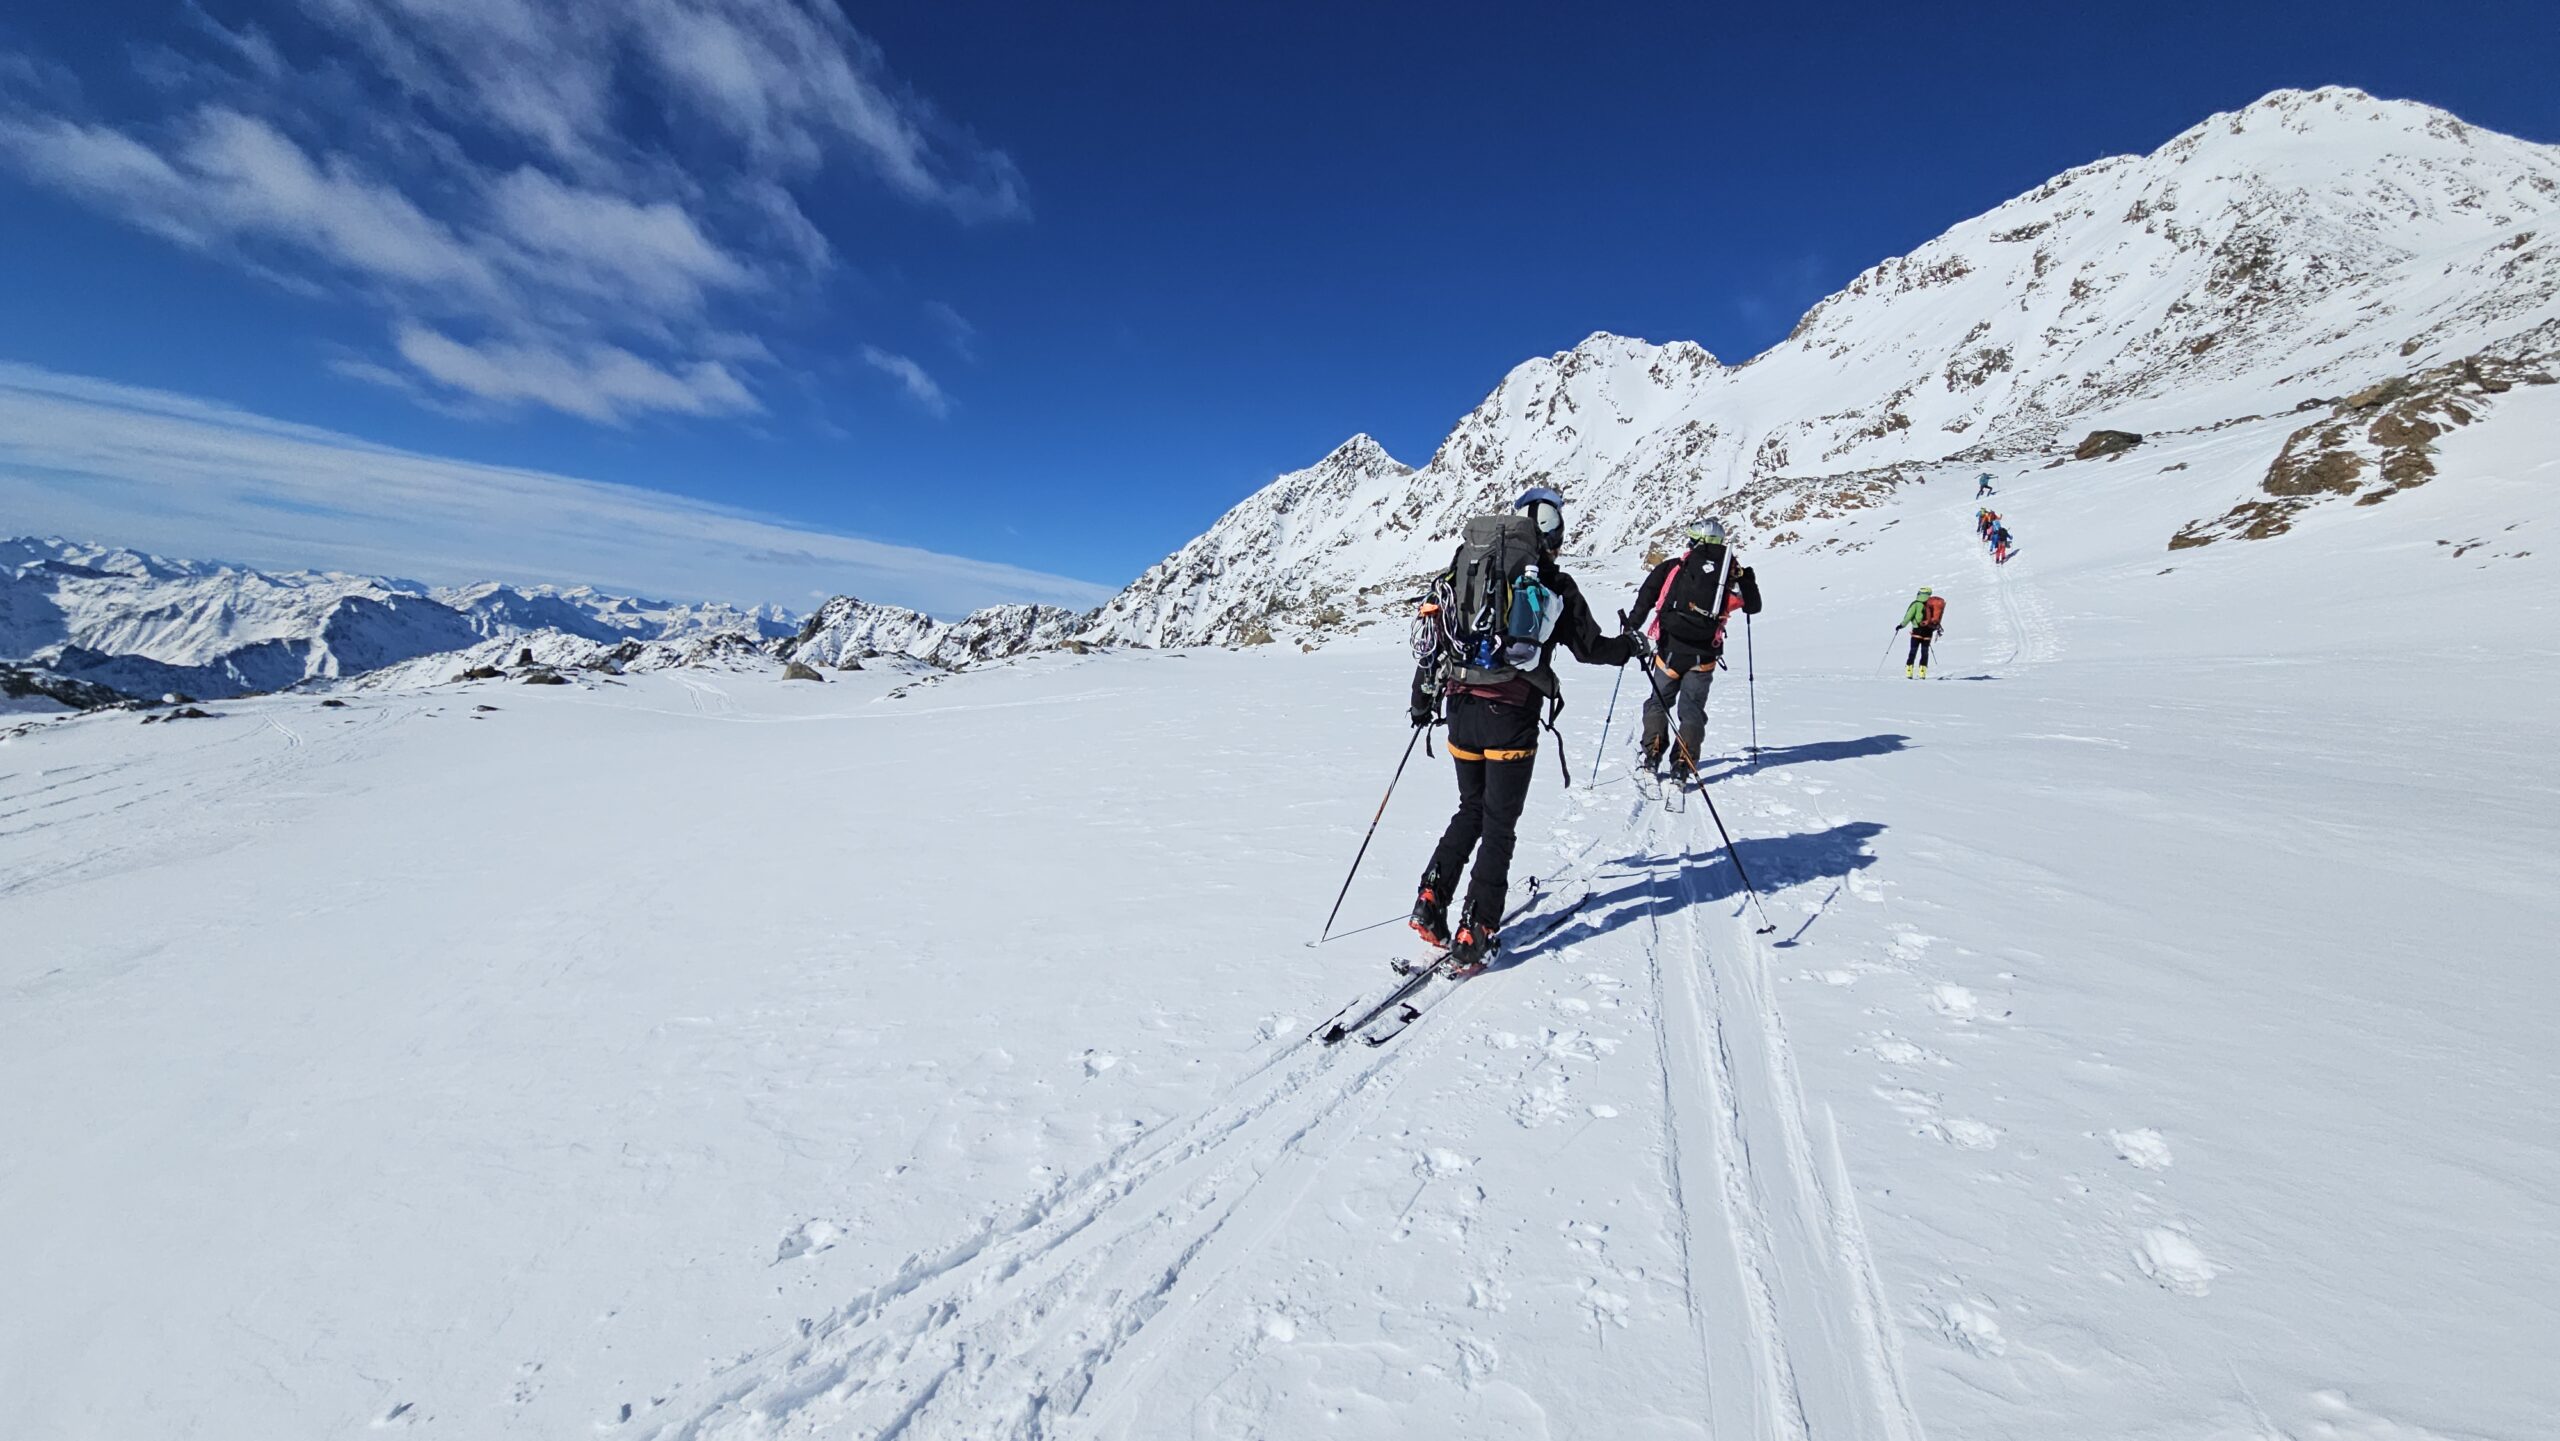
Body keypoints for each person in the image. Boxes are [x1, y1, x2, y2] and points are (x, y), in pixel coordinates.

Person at [1409, 487, 1632, 973]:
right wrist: (1631, 647)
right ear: (1554, 535)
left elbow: (1438, 638)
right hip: (1510, 717)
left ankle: (1431, 898)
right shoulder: (1554, 581)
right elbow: (1590, 648)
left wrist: (1421, 699)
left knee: (1470, 809)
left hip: (1459, 706)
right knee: (1499, 824)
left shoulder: (1467, 567)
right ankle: (1477, 928)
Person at [1623, 517, 1762, 782]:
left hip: (1670, 653)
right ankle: (1683, 764)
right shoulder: (1730, 575)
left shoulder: (1674, 567)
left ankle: (1652, 754)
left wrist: (1631, 629)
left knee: (1658, 703)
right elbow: (1752, 607)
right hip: (1704, 656)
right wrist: (1748, 579)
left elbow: (1646, 598)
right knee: (1692, 710)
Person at [1898, 586, 1946, 678]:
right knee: (1925, 652)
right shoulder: (1932, 604)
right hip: (1928, 632)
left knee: (1913, 651)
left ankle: (1909, 671)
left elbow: (1908, 617)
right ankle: (1922, 673)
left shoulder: (1916, 604)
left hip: (1917, 631)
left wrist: (1901, 625)